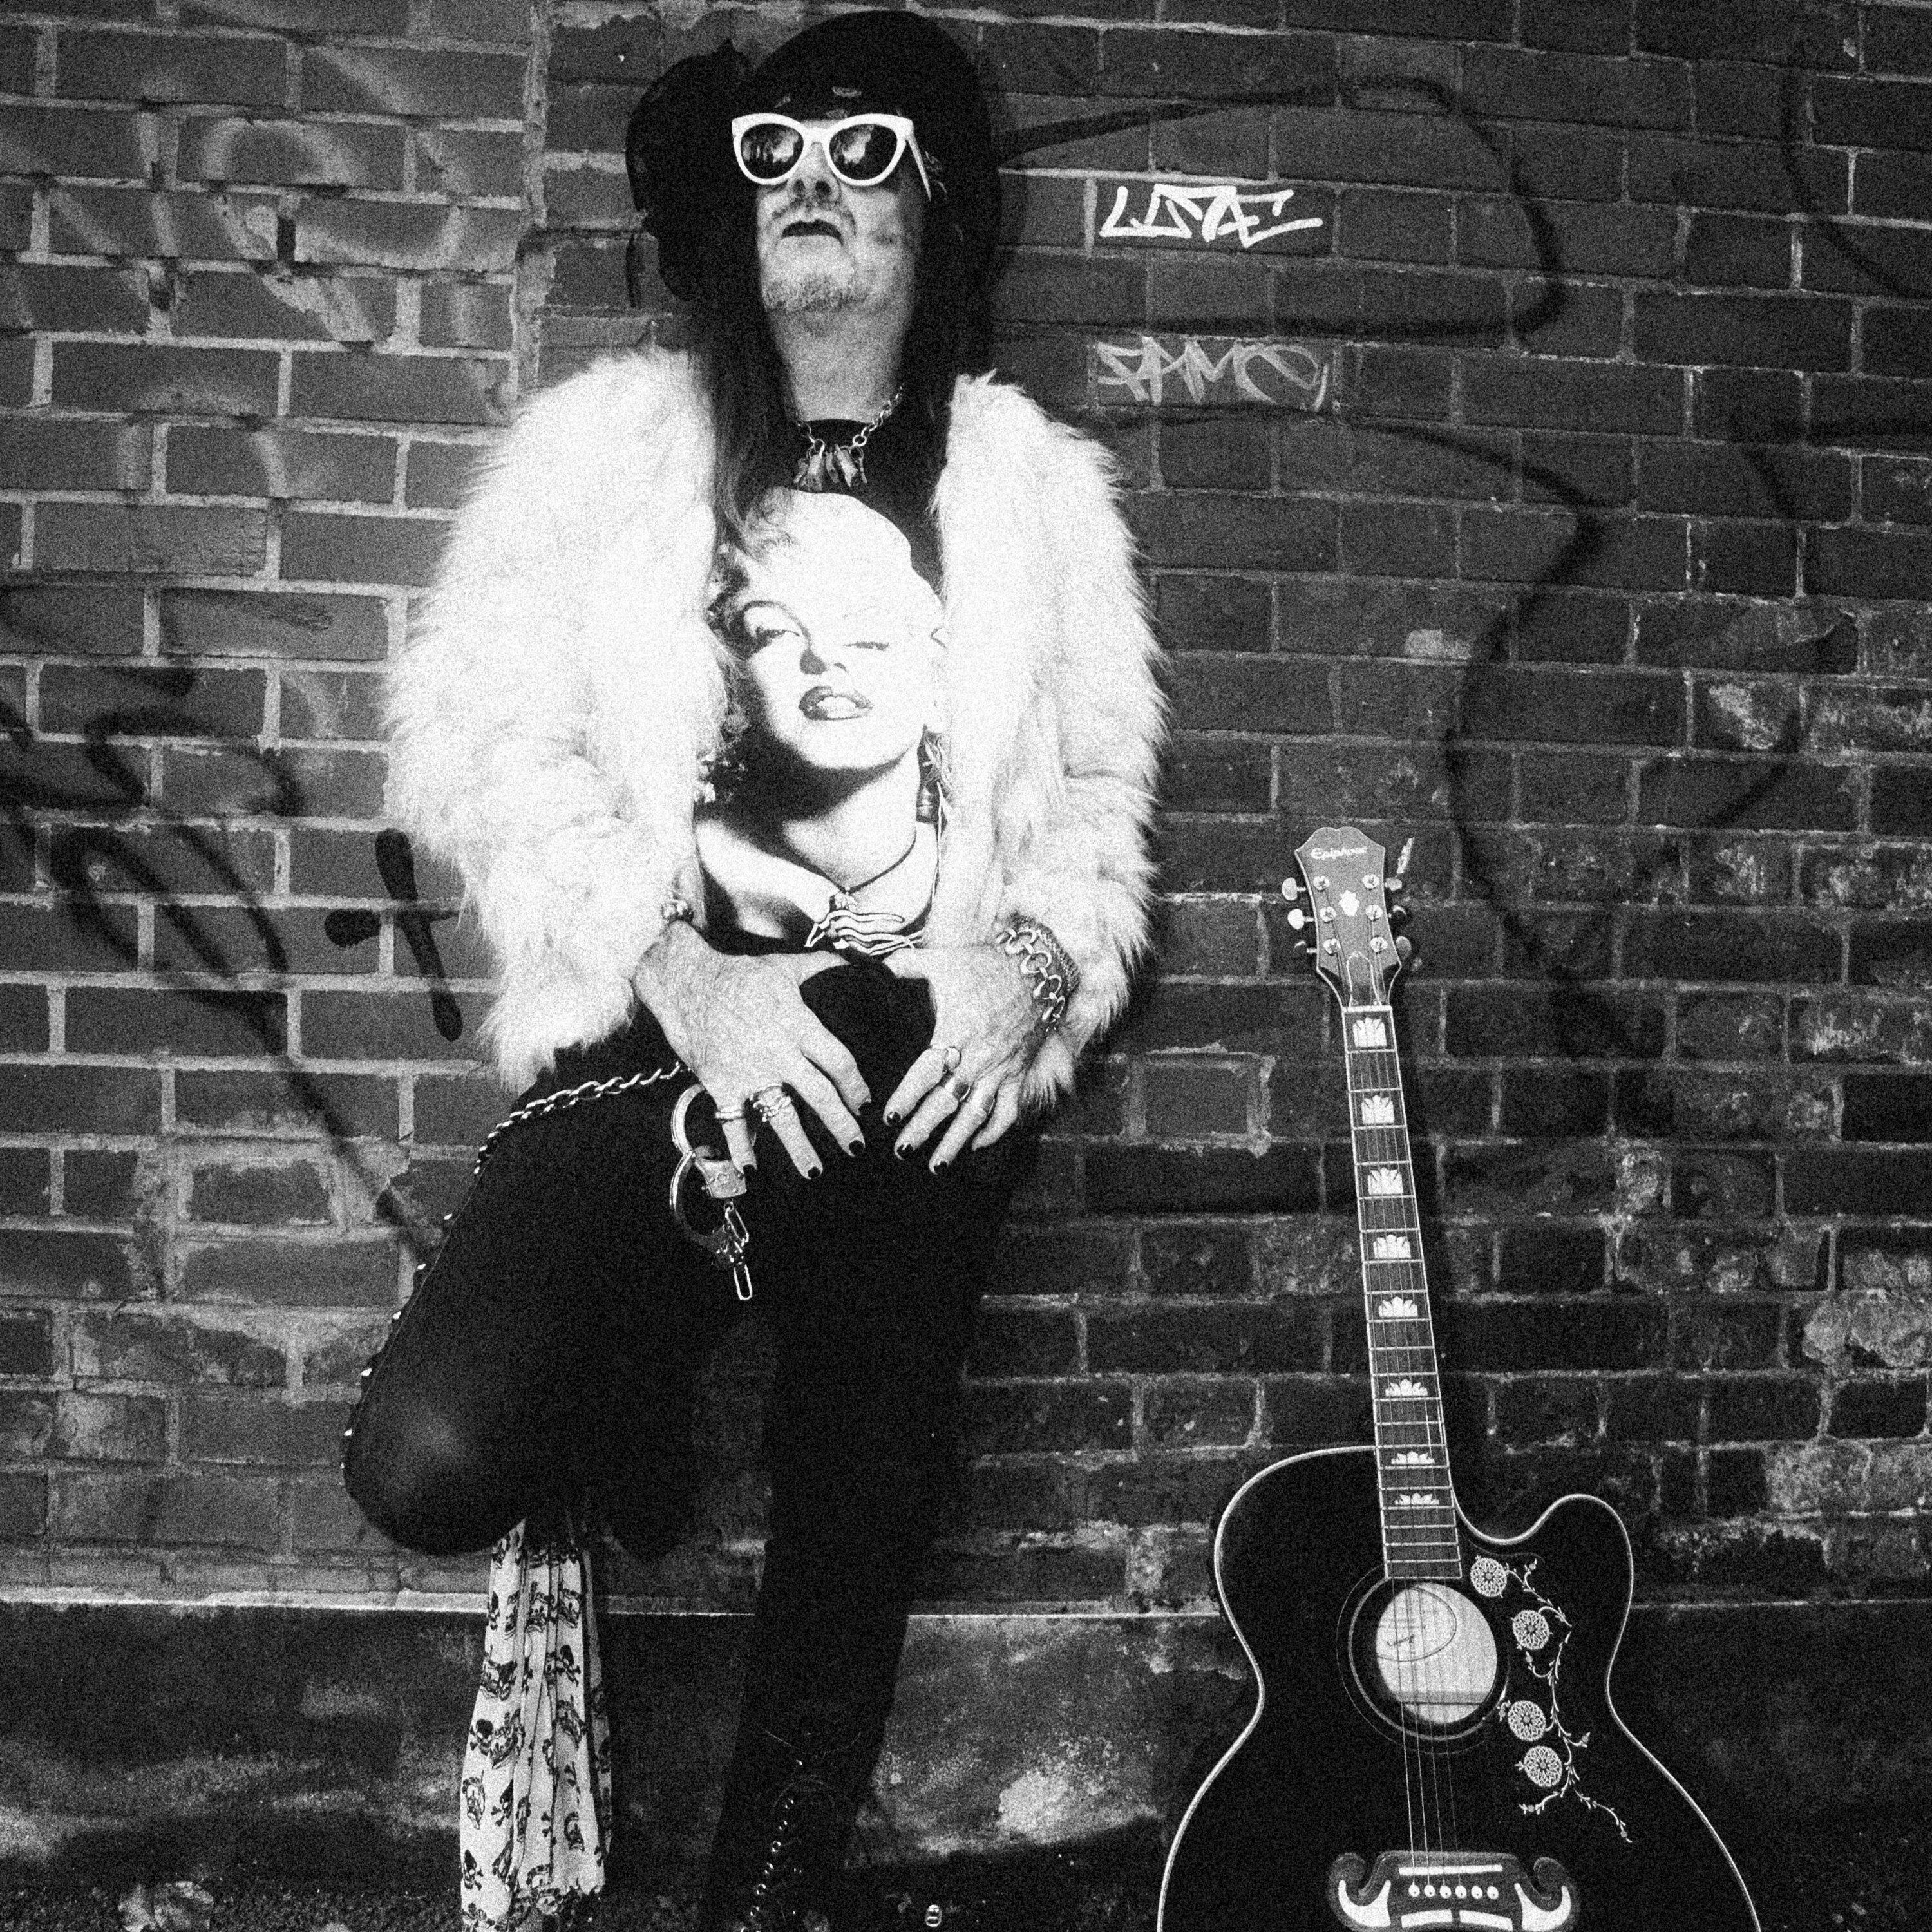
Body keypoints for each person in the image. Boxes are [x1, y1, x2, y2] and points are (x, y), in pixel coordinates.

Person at [342, 13, 1164, 1931]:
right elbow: (475, 742)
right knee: (431, 1460)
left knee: (861, 1477)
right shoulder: (610, 450)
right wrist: (680, 970)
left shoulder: (1033, 488)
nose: (812, 182)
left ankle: (768, 1898)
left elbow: (1093, 811)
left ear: (936, 212)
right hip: (666, 1027)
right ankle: (647, 1347)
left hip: (922, 1043)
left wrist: (1036, 969)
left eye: (864, 152)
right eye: (773, 153)